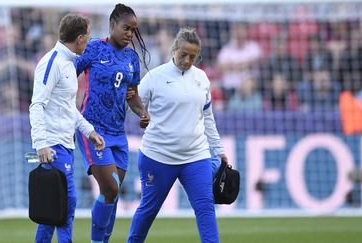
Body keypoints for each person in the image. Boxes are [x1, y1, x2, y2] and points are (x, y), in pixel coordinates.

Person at [127, 27, 228, 243]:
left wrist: (219, 150)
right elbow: (134, 104)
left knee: (205, 207)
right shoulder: (155, 77)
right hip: (158, 156)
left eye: (193, 56)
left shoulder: (202, 78)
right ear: (174, 49)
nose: (187, 60)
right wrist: (141, 114)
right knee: (148, 211)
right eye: (183, 54)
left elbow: (208, 117)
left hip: (195, 155)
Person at [74, 4, 150, 243]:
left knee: (112, 194)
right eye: (126, 28)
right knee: (111, 189)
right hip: (93, 131)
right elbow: (67, 74)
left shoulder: (131, 58)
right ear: (112, 25)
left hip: (118, 135)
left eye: (134, 30)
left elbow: (132, 94)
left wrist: (142, 112)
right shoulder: (94, 48)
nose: (130, 34)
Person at [29, 13, 105, 243]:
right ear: (80, 38)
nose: (88, 42)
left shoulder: (68, 64)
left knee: (52, 207)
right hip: (52, 145)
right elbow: (37, 105)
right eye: (88, 38)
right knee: (67, 201)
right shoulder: (51, 63)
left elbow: (67, 108)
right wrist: (41, 143)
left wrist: (88, 130)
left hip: (65, 143)